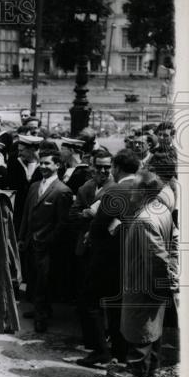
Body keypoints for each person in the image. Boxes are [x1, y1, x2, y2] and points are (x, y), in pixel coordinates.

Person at [113, 171, 179, 377]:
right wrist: (173, 268)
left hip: (143, 286)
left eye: (134, 187)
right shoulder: (162, 210)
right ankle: (150, 375)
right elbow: (175, 239)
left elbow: (156, 258)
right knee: (152, 330)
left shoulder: (144, 219)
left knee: (139, 331)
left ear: (142, 191)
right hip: (153, 286)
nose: (131, 191)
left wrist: (161, 283)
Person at [78, 148, 140, 367]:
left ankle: (99, 350)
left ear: (117, 168)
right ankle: (120, 353)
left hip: (107, 258)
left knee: (90, 300)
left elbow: (98, 227)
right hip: (134, 258)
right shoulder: (147, 189)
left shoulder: (115, 192)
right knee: (118, 306)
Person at [18, 149, 72, 333]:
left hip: (47, 246)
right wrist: (21, 237)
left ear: (57, 165)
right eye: (41, 163)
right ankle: (38, 310)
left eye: (47, 163)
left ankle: (41, 318)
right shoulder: (34, 187)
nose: (42, 166)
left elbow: (62, 223)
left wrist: (48, 240)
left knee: (44, 281)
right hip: (31, 243)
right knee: (33, 279)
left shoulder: (62, 191)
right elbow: (26, 214)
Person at [69, 150, 114, 352]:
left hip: (104, 251)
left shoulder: (115, 189)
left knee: (101, 300)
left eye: (107, 167)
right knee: (84, 297)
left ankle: (103, 343)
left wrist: (87, 215)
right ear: (92, 167)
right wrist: (87, 214)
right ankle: (89, 341)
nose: (103, 171)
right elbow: (72, 215)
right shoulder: (86, 187)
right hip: (84, 249)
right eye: (100, 167)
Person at [7, 134, 43, 234]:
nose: (19, 153)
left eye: (22, 150)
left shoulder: (44, 165)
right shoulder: (15, 163)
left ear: (31, 150)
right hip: (19, 211)